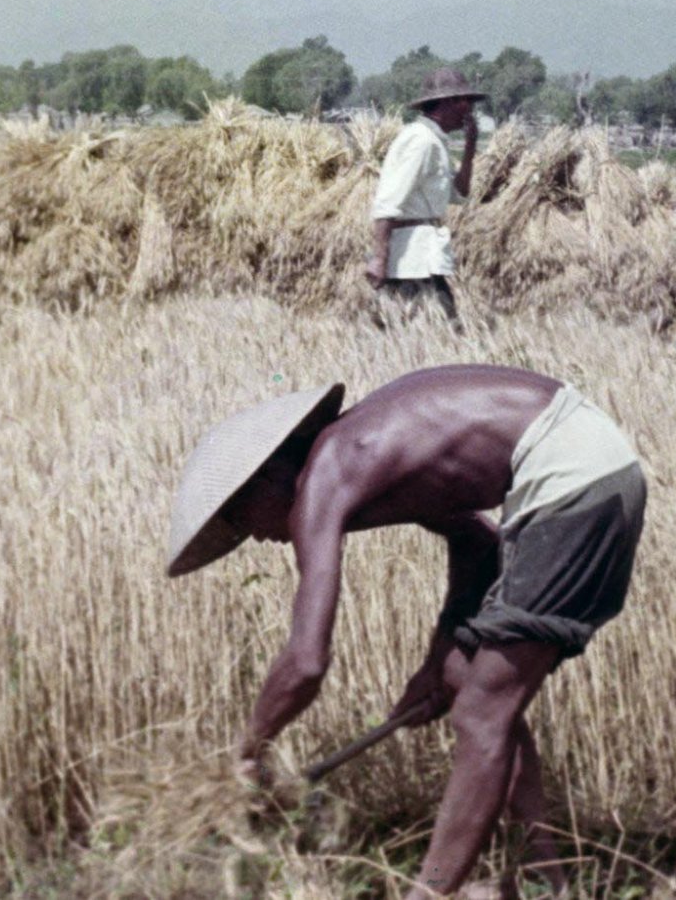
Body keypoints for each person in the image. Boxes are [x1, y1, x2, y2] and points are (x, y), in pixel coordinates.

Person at [165, 365, 647, 900]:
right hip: (590, 463)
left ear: (266, 478)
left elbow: (306, 661)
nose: (250, 534)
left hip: (571, 476)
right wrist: (437, 662)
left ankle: (431, 892)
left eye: (239, 513)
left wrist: (250, 750)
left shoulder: (325, 476)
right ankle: (547, 879)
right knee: (473, 684)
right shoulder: (365, 453)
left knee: (484, 709)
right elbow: (476, 545)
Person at [367, 67, 483, 324]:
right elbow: (388, 201)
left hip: (424, 254)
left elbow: (460, 193)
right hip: (409, 256)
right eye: (465, 102)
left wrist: (470, 147)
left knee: (429, 327)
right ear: (446, 104)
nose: (469, 110)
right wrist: (379, 258)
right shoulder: (420, 141)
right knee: (431, 325)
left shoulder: (435, 142)